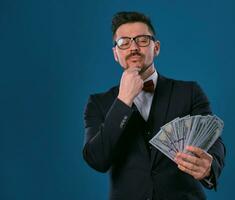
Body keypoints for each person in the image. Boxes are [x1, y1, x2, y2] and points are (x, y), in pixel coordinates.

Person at [83, 11, 226, 200]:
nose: (133, 47)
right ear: (115, 54)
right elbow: (97, 159)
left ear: (156, 47)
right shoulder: (98, 103)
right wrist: (123, 101)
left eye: (142, 40)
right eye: (124, 42)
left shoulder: (190, 92)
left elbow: (213, 140)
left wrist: (210, 166)